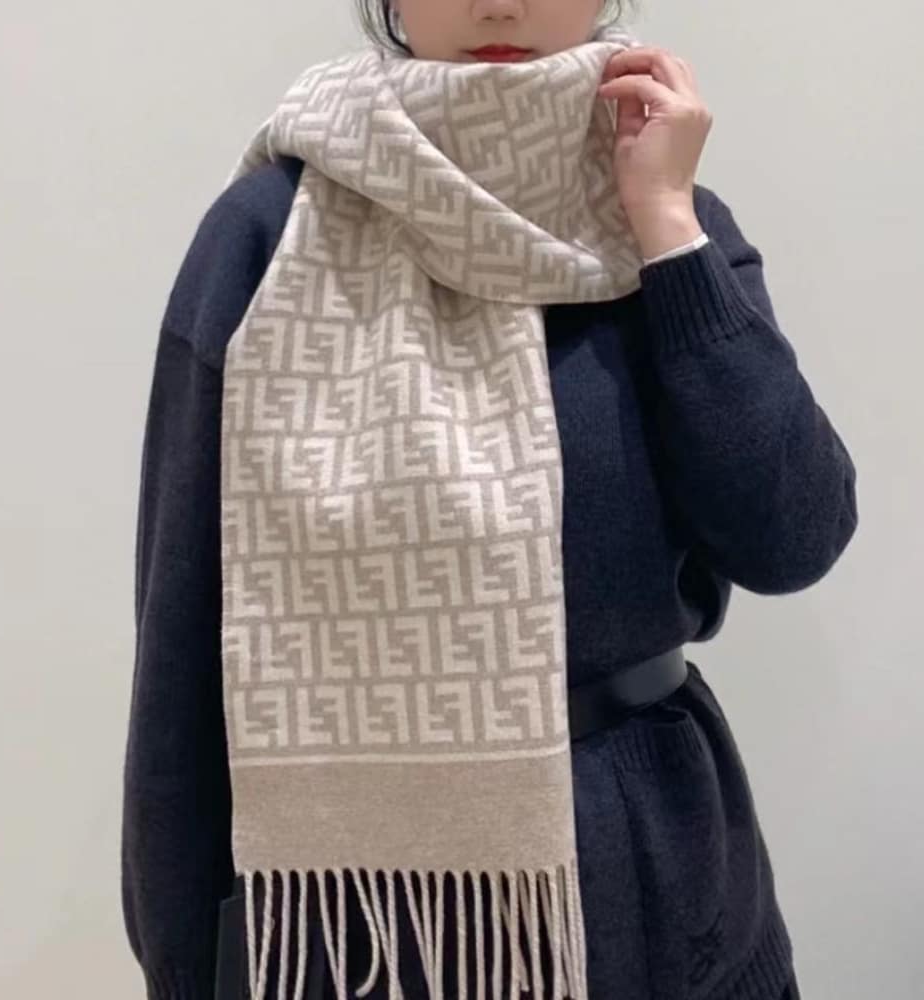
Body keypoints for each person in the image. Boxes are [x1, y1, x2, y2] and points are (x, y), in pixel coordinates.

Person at [120, 1, 857, 997]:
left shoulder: (662, 222)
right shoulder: (266, 239)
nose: (499, 2)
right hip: (371, 927)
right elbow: (180, 643)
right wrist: (179, 964)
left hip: (662, 895)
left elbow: (794, 536)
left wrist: (668, 231)